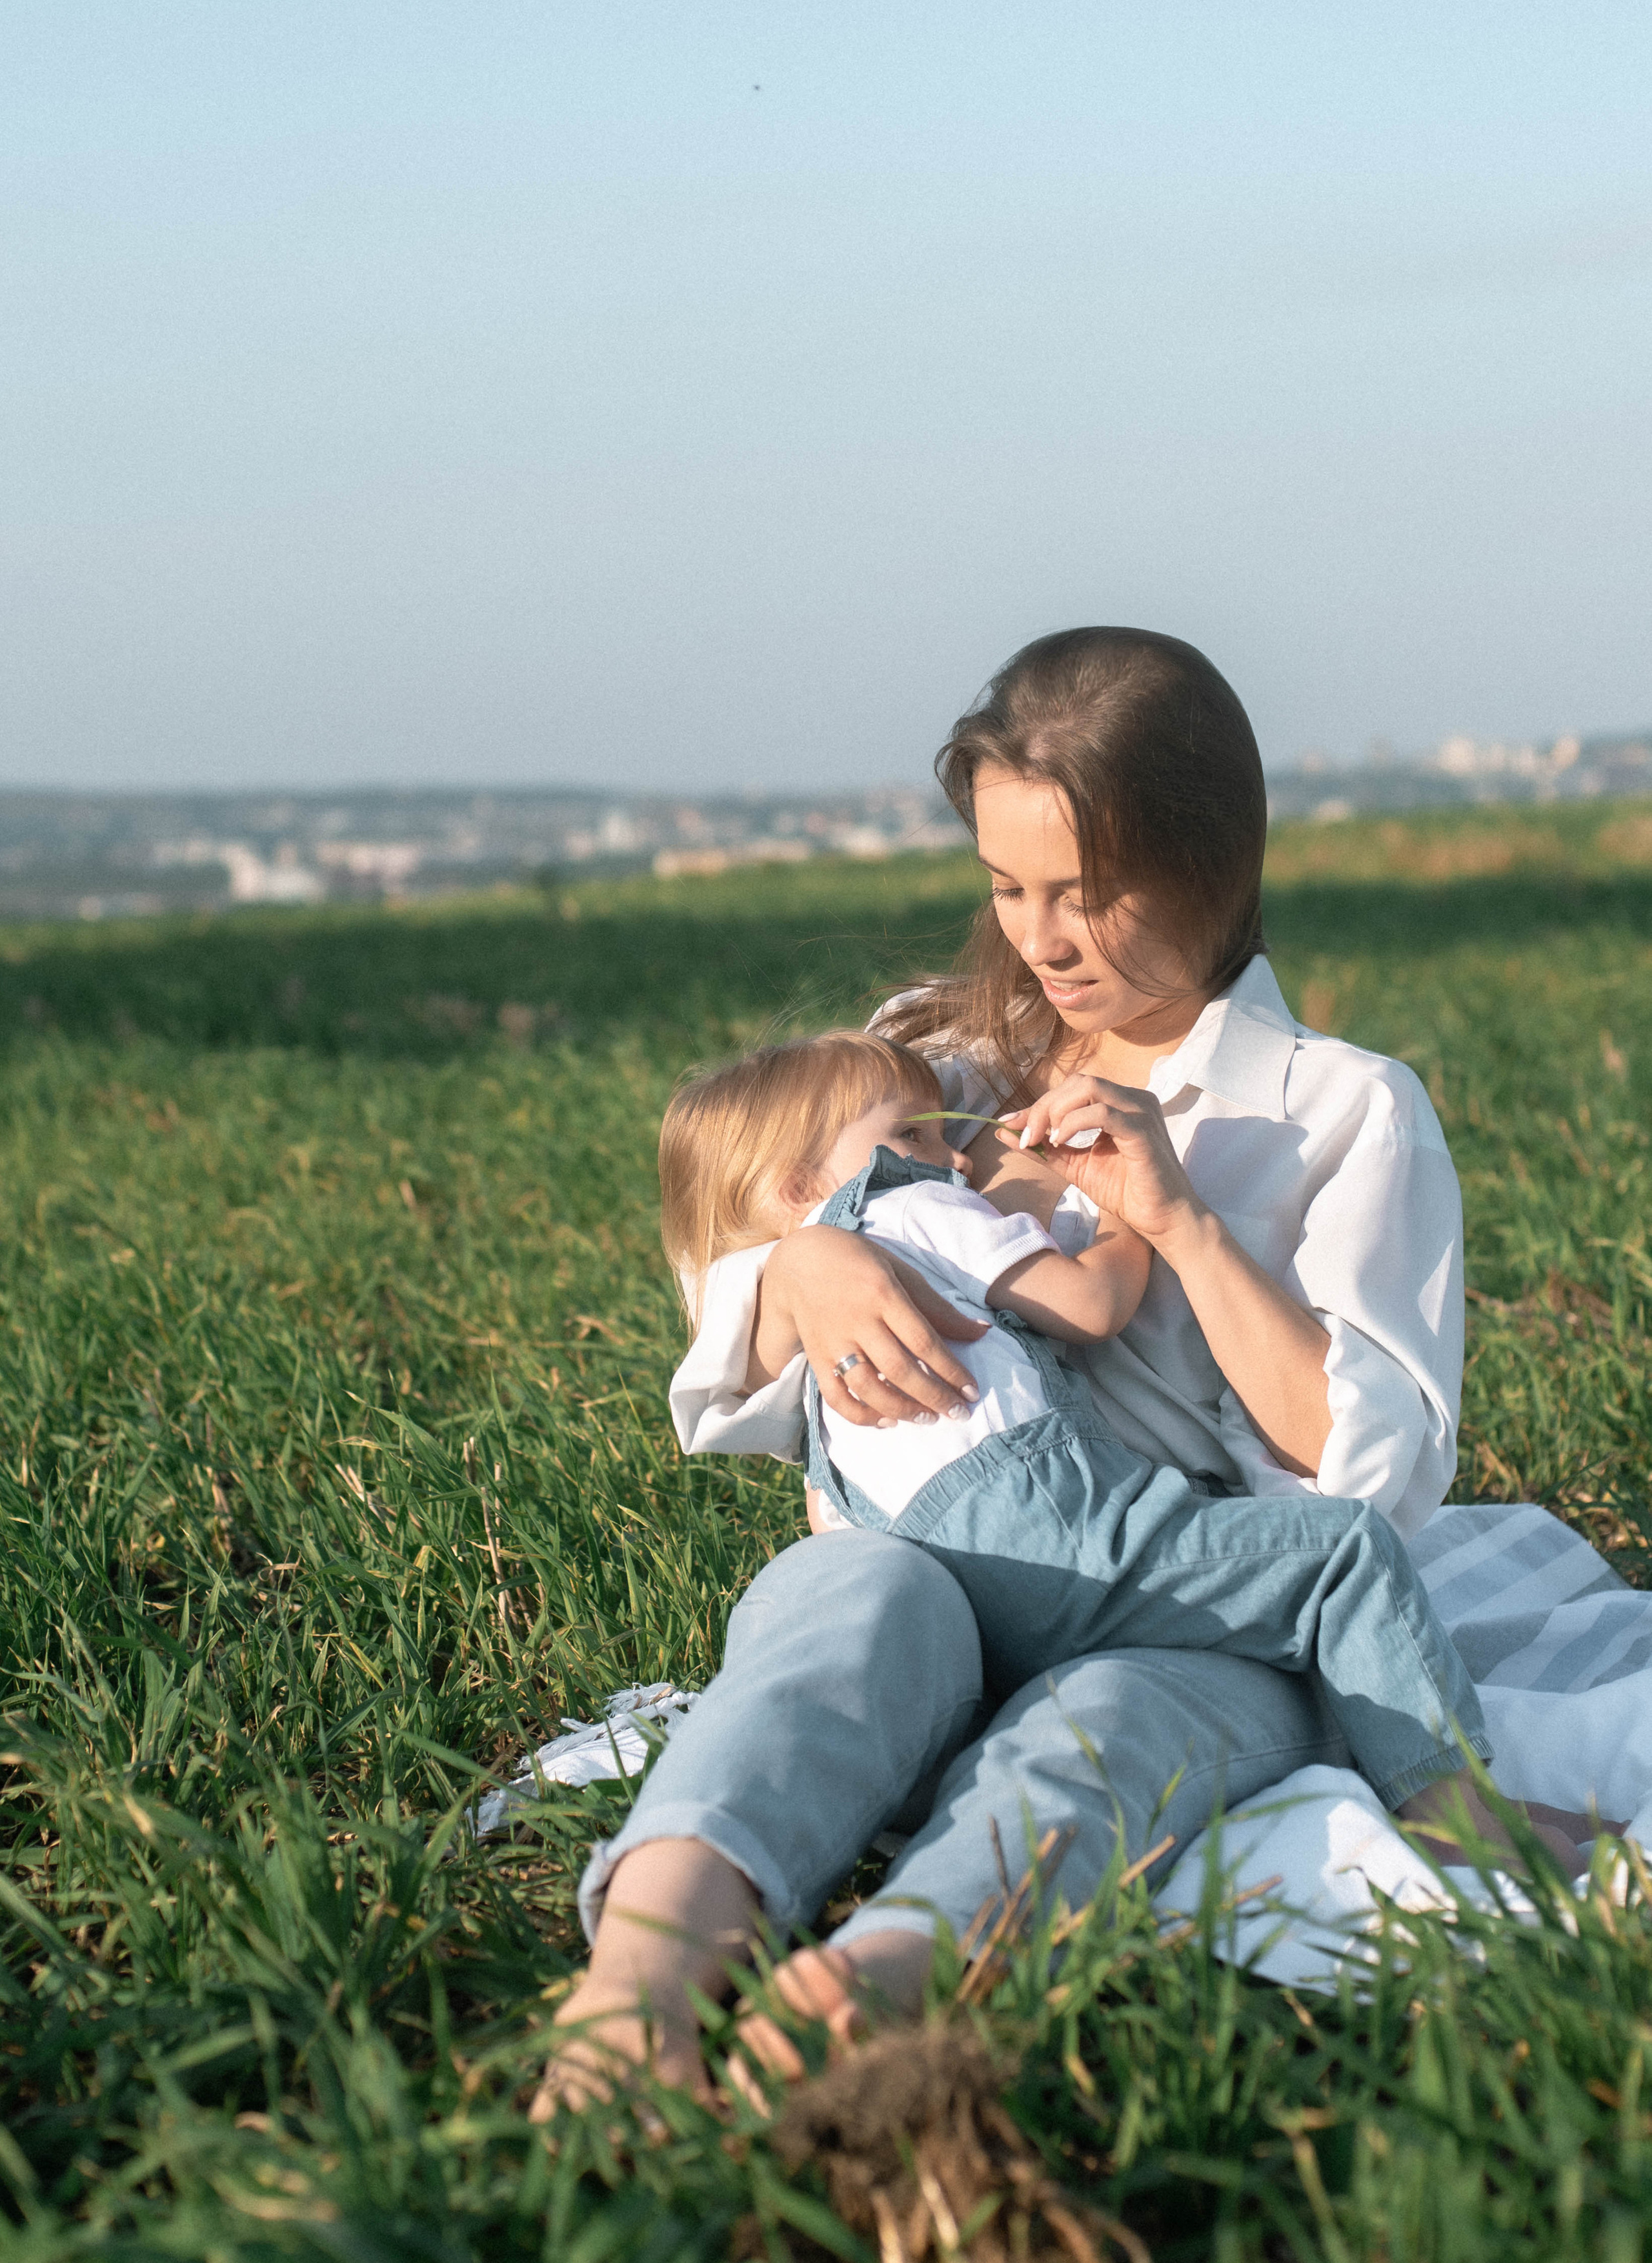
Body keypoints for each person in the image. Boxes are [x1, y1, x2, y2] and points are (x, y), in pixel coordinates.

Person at [532, 627, 1573, 2115]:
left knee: (1098, 1739)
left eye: (1084, 895)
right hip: (934, 1557)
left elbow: (1371, 1478)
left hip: (1201, 1607)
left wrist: (1182, 1228)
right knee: (836, 1625)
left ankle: (886, 1978)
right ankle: (637, 1981)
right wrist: (800, 1269)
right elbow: (741, 1281)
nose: (1040, 938)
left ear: (1211, 863)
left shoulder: (1336, 1112)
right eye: (1010, 888)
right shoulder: (937, 1061)